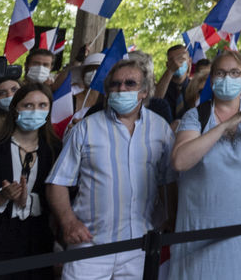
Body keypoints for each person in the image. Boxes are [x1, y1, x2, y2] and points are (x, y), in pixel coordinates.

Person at [46, 57, 175, 280]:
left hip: (139, 246)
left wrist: (170, 218)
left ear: (144, 91)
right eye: (115, 84)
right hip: (89, 244)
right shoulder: (86, 128)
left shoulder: (160, 129)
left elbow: (170, 180)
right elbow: (57, 182)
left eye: (130, 83)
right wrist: (68, 222)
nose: (121, 89)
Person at [169, 50, 241, 280]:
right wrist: (223, 126)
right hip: (200, 242)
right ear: (212, 79)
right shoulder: (196, 116)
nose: (227, 78)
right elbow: (180, 161)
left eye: (234, 73)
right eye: (221, 73)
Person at [0, 83, 57, 280]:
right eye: (28, 105)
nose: (35, 111)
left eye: (42, 105)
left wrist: (30, 201)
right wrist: (2, 197)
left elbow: (64, 197)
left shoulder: (55, 150)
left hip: (37, 243)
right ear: (15, 109)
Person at [155, 44, 190, 119]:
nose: (176, 63)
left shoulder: (196, 87)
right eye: (172, 61)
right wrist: (170, 71)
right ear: (167, 65)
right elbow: (154, 101)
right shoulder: (161, 87)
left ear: (189, 61)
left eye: (181, 59)